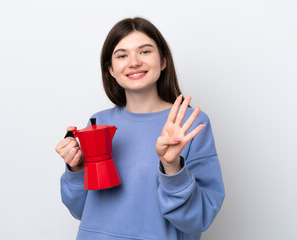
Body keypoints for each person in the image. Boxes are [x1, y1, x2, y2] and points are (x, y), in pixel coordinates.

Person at [55, 17, 225, 240]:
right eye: (122, 55)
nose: (134, 62)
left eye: (145, 51)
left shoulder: (191, 123)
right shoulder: (97, 122)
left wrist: (172, 167)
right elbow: (82, 210)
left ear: (163, 61)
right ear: (111, 70)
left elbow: (198, 219)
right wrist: (76, 170)